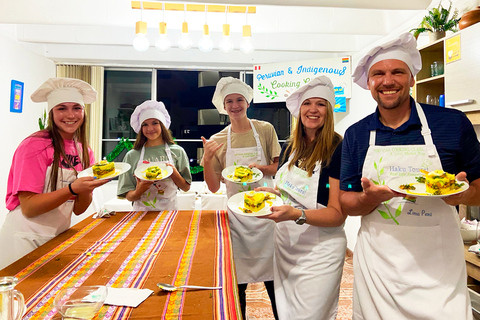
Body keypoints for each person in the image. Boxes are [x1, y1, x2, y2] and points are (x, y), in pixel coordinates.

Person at [340, 32, 480, 319]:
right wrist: (368, 199)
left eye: (397, 72)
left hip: (438, 271)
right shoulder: (356, 134)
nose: (388, 81)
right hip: (378, 271)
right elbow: (346, 202)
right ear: (369, 83)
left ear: (412, 78)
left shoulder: (452, 123)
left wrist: (462, 194)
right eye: (378, 73)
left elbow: (478, 186)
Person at [256, 76, 347, 320]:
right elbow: (292, 193)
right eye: (308, 103)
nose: (313, 110)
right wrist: (274, 193)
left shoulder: (339, 149)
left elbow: (337, 215)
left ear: (329, 110)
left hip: (320, 251)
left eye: (321, 104)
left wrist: (296, 214)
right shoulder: (290, 146)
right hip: (286, 246)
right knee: (286, 313)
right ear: (299, 109)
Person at [0, 77, 110, 269]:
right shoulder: (35, 146)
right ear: (51, 112)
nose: (70, 114)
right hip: (24, 239)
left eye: (77, 107)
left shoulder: (84, 150)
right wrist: (72, 189)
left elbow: (77, 209)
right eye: (62, 108)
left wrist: (87, 188)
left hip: (56, 236)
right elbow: (29, 208)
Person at [201, 77, 281, 319]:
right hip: (237, 219)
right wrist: (206, 160)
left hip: (268, 214)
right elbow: (214, 186)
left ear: (247, 102)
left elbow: (275, 167)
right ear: (223, 107)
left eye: (239, 100)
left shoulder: (265, 129)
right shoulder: (217, 139)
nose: (235, 105)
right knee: (238, 281)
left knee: (275, 281)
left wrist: (261, 169)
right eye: (229, 101)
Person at [117, 100, 191, 210]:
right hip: (141, 215)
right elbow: (129, 196)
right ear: (141, 128)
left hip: (169, 213)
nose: (150, 128)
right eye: (145, 124)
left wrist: (174, 174)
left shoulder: (178, 152)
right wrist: (140, 190)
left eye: (155, 123)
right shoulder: (132, 155)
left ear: (162, 125)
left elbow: (186, 187)